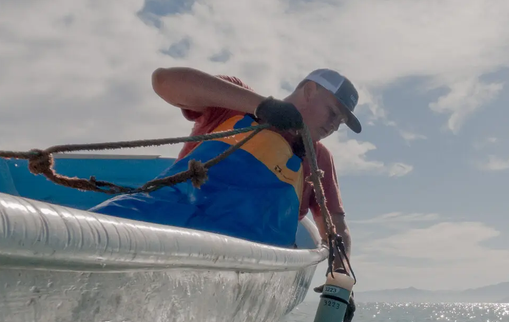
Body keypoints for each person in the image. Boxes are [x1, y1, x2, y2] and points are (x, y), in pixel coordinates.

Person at [91, 66, 360, 250]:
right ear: (310, 91)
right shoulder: (235, 100)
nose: (335, 125)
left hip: (246, 262)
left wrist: (341, 282)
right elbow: (164, 81)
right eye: (334, 113)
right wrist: (261, 106)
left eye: (342, 122)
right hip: (155, 231)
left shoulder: (319, 159)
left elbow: (335, 227)